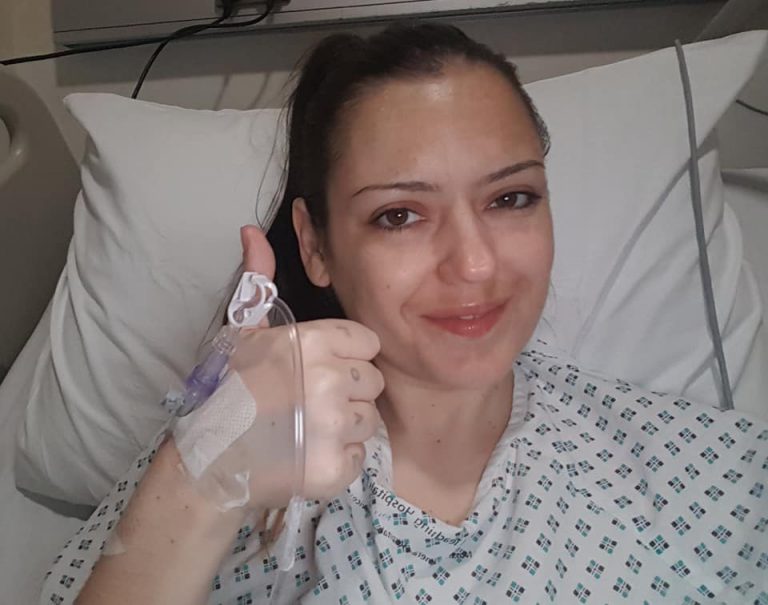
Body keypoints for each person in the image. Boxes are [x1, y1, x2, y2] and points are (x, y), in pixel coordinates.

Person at [41, 22, 766, 604]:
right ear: (314, 245)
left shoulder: (700, 473)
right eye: (398, 215)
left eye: (510, 198)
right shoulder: (208, 465)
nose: (475, 264)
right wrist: (202, 479)